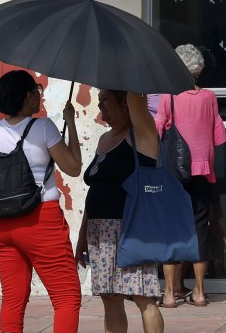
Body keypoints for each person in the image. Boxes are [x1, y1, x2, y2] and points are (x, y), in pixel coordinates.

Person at [0, 70, 83, 333]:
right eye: (37, 91)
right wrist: (72, 125)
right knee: (66, 297)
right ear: (29, 97)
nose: (39, 96)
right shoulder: (42, 127)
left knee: (13, 299)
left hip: (1, 226)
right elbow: (74, 167)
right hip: (40, 220)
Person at [76, 89, 165, 333]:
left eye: (105, 102)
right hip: (99, 232)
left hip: (131, 229)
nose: (101, 110)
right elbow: (95, 190)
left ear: (125, 104)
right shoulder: (104, 140)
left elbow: (138, 100)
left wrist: (126, 77)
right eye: (99, 103)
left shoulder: (142, 135)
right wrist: (83, 234)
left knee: (143, 296)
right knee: (110, 298)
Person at [155, 44, 226, 308]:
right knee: (199, 229)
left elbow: (158, 130)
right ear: (199, 69)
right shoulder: (209, 97)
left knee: (172, 231)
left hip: (174, 172)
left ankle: (170, 295)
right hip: (202, 171)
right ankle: (198, 292)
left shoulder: (169, 97)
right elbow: (219, 137)